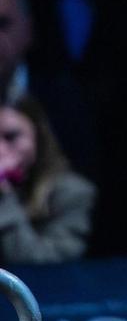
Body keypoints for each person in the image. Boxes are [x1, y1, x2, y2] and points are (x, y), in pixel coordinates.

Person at [0, 94, 95, 264]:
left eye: (11, 137)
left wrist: (3, 195)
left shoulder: (73, 193)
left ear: (39, 137)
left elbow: (39, 264)